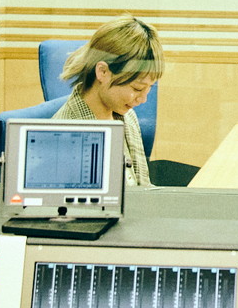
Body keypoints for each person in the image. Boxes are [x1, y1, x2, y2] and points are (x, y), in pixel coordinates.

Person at [50, 14, 164, 187]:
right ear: (103, 72)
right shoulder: (67, 138)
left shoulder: (127, 116)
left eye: (150, 88)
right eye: (137, 88)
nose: (143, 99)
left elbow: (142, 190)